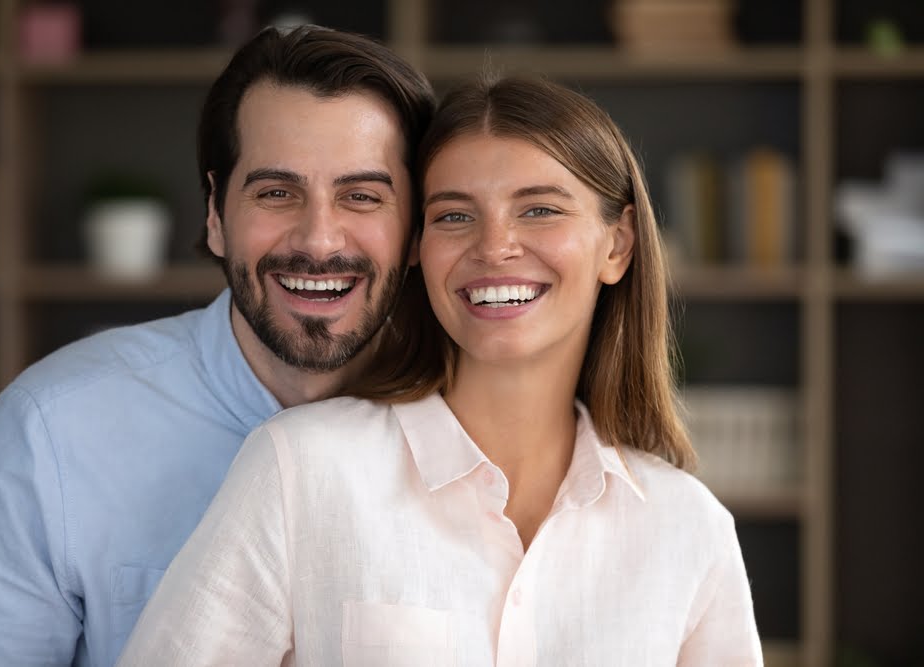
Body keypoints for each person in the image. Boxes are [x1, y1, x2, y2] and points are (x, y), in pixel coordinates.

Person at [117, 75, 762, 665]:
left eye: (539, 209)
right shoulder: (301, 471)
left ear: (617, 244)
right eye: (454, 215)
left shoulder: (688, 529)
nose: (494, 247)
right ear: (419, 249)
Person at [0, 26, 435, 667]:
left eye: (362, 196)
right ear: (216, 216)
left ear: (416, 228)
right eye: (276, 192)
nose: (320, 239)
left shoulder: (479, 427)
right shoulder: (51, 433)